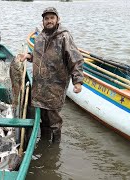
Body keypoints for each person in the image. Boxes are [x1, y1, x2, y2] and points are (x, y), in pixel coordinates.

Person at [21, 7, 84, 143]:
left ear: (57, 19)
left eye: (52, 18)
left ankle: (55, 146)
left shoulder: (64, 36)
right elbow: (39, 56)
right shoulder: (40, 38)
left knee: (54, 119)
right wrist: (29, 56)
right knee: (42, 118)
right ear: (43, 21)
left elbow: (75, 59)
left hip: (55, 87)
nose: (49, 21)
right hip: (39, 87)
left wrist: (77, 81)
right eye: (46, 18)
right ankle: (45, 144)